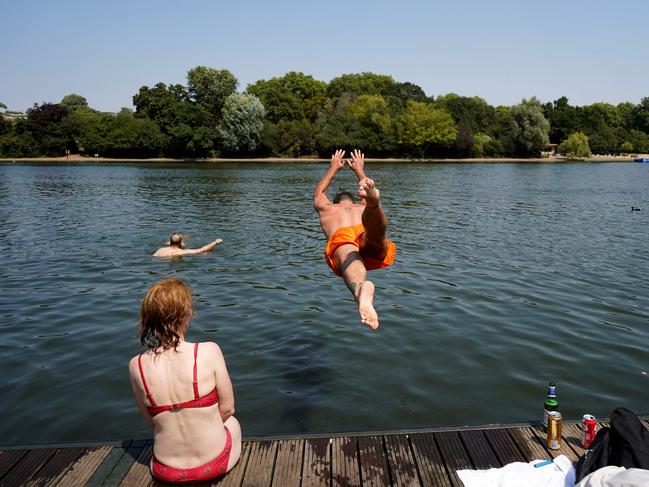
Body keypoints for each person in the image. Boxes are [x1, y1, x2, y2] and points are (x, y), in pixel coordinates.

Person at [128, 278, 242, 484]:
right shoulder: (208, 351)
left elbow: (151, 422)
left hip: (165, 470)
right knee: (233, 423)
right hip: (213, 465)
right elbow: (228, 409)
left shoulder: (136, 365)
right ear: (185, 315)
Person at [313, 149, 397, 329]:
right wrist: (360, 170)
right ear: (355, 200)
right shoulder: (361, 206)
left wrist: (333, 168)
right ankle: (375, 204)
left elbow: (319, 193)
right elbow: (364, 186)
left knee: (348, 255)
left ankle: (359, 289)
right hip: (364, 231)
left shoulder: (328, 208)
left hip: (342, 237)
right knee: (376, 236)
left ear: (335, 201)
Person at [153, 233, 223, 257]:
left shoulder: (160, 250)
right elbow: (202, 250)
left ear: (170, 242)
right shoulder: (182, 252)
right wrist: (215, 242)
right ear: (180, 243)